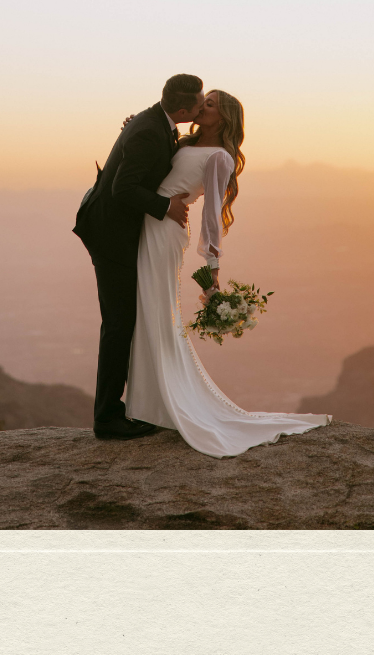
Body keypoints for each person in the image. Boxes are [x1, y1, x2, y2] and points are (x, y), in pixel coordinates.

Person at [125, 88, 332, 457]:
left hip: (165, 230)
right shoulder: (182, 143)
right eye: (203, 102)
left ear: (225, 118)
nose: (202, 107)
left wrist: (213, 268)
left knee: (157, 310)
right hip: (149, 221)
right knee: (147, 310)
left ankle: (163, 406)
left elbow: (211, 215)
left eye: (211, 105)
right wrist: (133, 132)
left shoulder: (220, 157)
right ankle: (150, 405)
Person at [74, 74, 206, 439]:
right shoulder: (149, 129)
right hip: (111, 236)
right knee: (118, 324)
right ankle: (107, 419)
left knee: (125, 321)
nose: (201, 108)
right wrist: (167, 206)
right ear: (183, 110)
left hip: (116, 230)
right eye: (198, 105)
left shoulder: (155, 123)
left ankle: (131, 407)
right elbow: (124, 188)